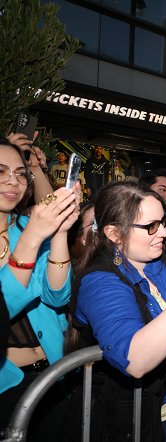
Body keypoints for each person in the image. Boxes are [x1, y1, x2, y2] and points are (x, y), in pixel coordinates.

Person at [70, 181, 166, 441]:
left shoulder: (165, 256)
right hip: (126, 416)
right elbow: (135, 359)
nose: (164, 233)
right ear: (114, 233)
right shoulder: (99, 280)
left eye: (164, 222)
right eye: (151, 226)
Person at [0, 138, 80, 439]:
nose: (14, 181)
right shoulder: (32, 229)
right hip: (6, 384)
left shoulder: (28, 224)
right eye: (1, 171)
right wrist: (32, 238)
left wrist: (59, 234)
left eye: (21, 173)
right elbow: (3, 307)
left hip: (52, 372)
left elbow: (58, 296)